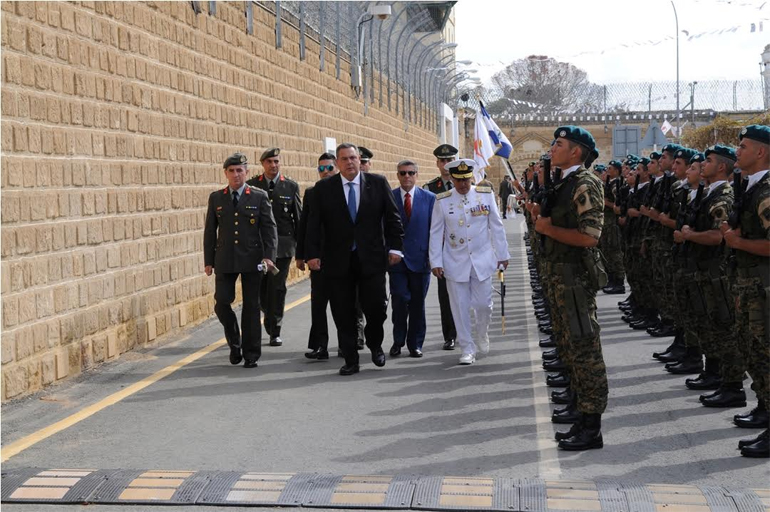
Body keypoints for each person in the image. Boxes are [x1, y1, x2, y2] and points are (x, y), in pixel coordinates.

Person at [534, 126, 608, 450]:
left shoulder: (585, 184)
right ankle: (580, 411)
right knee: (569, 347)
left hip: (575, 279)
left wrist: (547, 229)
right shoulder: (563, 182)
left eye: (559, 143)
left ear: (576, 151)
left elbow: (590, 237)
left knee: (584, 351)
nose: (552, 148)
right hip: (559, 277)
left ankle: (592, 427)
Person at [305, 143, 404, 376]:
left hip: (372, 259)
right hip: (337, 260)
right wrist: (312, 254)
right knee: (343, 311)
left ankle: (375, 344)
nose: (349, 162)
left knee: (376, 308)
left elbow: (393, 218)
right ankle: (351, 359)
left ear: (359, 160)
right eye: (344, 159)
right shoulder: (324, 188)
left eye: (353, 158)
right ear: (337, 163)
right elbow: (314, 223)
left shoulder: (377, 183)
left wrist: (396, 249)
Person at [429, 159, 510, 365]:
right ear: (452, 179)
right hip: (455, 260)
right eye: (459, 180)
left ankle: (482, 332)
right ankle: (467, 348)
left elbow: (496, 225)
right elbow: (436, 232)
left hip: (481, 259)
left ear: (471, 177)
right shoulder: (443, 200)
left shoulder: (485, 195)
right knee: (459, 307)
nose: (463, 184)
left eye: (466, 179)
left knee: (484, 305)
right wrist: (435, 260)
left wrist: (503, 254)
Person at [721, 124, 770, 458]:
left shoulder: (766, 192)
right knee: (754, 355)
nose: (737, 152)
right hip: (749, 287)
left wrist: (738, 242)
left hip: (763, 288)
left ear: (761, 152)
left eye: (743, 147)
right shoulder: (752, 187)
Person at [203, 153, 278, 368]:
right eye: (231, 171)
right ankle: (234, 342)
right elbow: (210, 231)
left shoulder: (259, 196)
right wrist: (208, 260)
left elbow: (269, 229)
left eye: (239, 170)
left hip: (252, 258)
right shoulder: (216, 198)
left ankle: (251, 354)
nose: (236, 174)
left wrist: (269, 256)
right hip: (225, 258)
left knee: (251, 307)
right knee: (222, 303)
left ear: (246, 172)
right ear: (225, 173)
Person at [246, 148, 301, 347]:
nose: (273, 165)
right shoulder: (252, 185)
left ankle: (274, 329)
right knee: (261, 289)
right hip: (258, 248)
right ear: (262, 164)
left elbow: (298, 219)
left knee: (277, 288)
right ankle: (268, 313)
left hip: (283, 247)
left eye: (276, 161)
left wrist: (301, 251)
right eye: (269, 161)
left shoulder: (290, 186)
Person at [388, 160, 436, 358]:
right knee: (399, 300)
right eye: (402, 173)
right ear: (397, 175)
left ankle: (415, 343)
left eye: (410, 173)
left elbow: (435, 229)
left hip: (421, 259)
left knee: (417, 304)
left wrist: (434, 257)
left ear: (417, 175)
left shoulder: (430, 198)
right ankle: (398, 340)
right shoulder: (389, 197)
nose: (406, 176)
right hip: (396, 260)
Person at [296, 153, 338, 360]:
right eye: (321, 169)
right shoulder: (311, 193)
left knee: (343, 305)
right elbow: (304, 224)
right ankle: (320, 346)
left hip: (341, 258)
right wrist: (301, 255)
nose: (325, 172)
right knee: (318, 304)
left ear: (336, 168)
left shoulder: (346, 190)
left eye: (329, 168)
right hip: (318, 258)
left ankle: (347, 343)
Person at [424, 144, 459, 350]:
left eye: (449, 160)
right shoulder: (430, 189)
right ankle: (450, 335)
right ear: (437, 163)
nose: (446, 164)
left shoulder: (467, 184)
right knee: (445, 295)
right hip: (444, 250)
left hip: (465, 250)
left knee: (468, 294)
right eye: (442, 161)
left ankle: (467, 331)